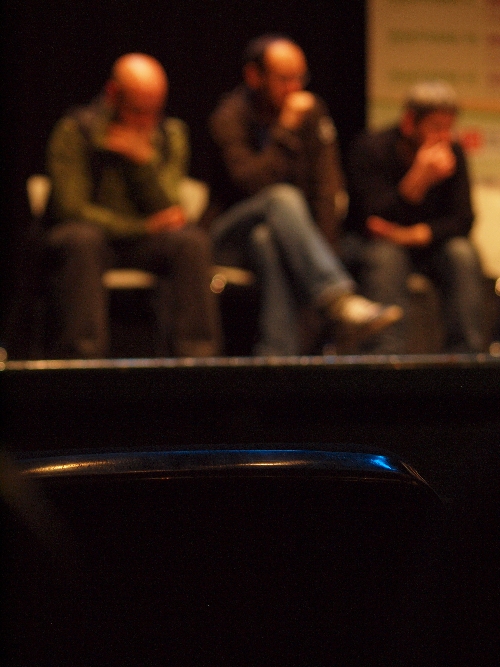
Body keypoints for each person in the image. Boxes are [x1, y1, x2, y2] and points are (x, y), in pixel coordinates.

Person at [208, 34, 402, 356]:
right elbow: (248, 183)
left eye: (300, 78)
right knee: (281, 197)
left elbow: (327, 187)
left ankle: (276, 355)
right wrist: (285, 130)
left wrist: (322, 246)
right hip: (229, 232)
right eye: (284, 79)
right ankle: (338, 300)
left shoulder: (311, 112)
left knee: (266, 240)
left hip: (283, 234)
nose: (295, 88)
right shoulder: (228, 116)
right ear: (254, 77)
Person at [46, 53, 221, 358]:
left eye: (155, 111)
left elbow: (171, 208)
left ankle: (197, 358)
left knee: (191, 242)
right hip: (93, 239)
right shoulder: (77, 130)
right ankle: (83, 360)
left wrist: (143, 162)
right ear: (113, 94)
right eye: (138, 111)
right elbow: (70, 209)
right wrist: (141, 227)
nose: (146, 122)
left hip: (145, 243)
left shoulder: (170, 133)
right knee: (81, 239)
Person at [345, 80, 485, 353]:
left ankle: (466, 357)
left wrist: (410, 235)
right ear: (409, 122)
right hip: (373, 245)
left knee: (462, 253)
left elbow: (463, 219)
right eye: (435, 127)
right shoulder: (371, 148)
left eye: (448, 128)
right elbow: (370, 219)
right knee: (386, 257)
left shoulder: (454, 152)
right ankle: (385, 357)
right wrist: (417, 182)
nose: (443, 137)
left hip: (428, 245)